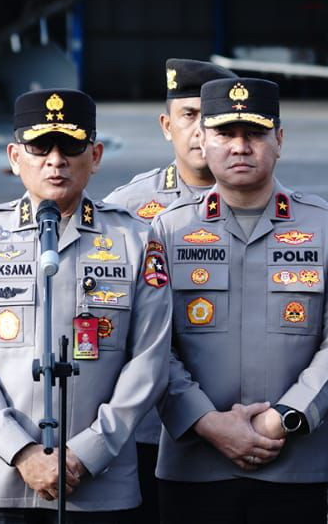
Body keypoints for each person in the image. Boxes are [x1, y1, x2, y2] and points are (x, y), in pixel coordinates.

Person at [0, 89, 172, 522]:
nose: (55, 159)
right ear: (14, 156)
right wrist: (23, 451)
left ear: (96, 154)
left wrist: (89, 451)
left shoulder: (135, 240)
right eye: (39, 146)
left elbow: (149, 361)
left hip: (99, 485)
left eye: (71, 145)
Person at [151, 78, 328, 522]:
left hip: (291, 463)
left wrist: (284, 418)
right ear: (204, 139)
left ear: (279, 140)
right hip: (193, 464)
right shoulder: (168, 230)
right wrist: (208, 423)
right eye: (225, 133)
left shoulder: (326, 226)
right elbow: (151, 345)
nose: (240, 147)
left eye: (255, 134)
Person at [102, 58, 236, 522]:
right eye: (188, 115)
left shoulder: (262, 205)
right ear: (166, 125)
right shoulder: (126, 209)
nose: (201, 130)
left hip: (235, 421)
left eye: (213, 116)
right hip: (145, 432)